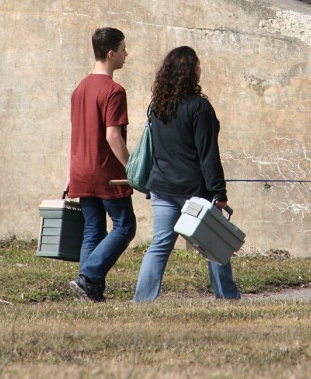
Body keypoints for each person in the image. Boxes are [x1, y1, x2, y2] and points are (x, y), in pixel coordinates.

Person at [133, 46, 240, 302]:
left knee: (159, 245)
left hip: (161, 188)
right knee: (214, 245)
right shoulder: (200, 108)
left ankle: (142, 300)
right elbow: (208, 155)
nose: (201, 69)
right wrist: (219, 193)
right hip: (194, 193)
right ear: (191, 71)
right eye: (198, 65)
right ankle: (226, 297)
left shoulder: (157, 106)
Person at [66, 27, 137, 302]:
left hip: (80, 171)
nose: (125, 54)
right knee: (125, 226)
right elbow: (112, 136)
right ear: (111, 54)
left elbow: (78, 133)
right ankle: (88, 278)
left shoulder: (80, 88)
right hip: (106, 172)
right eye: (122, 49)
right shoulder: (114, 91)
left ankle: (89, 289)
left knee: (93, 229)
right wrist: (131, 168)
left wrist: (69, 174)